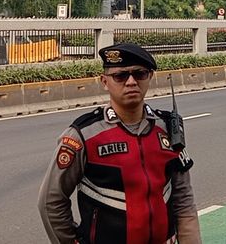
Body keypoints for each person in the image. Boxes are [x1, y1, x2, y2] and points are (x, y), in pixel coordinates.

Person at [38, 43, 201, 244]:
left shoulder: (168, 128)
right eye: (120, 76)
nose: (131, 82)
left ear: (150, 76)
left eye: (139, 74)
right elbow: (51, 201)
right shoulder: (83, 135)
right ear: (105, 81)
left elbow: (183, 200)